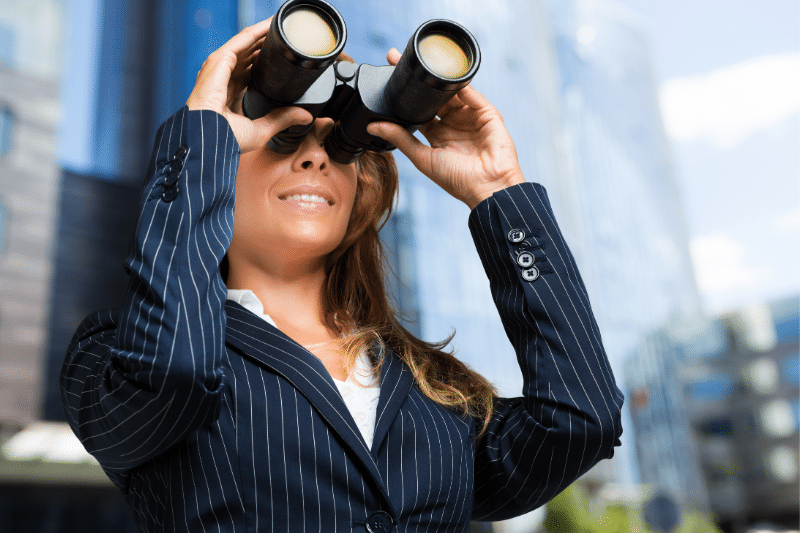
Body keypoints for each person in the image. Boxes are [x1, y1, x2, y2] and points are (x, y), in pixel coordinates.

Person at [60, 15, 624, 533]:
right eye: (282, 136)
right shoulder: (112, 356)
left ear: (362, 189)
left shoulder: (435, 392)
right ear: (218, 164)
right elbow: (172, 374)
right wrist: (202, 135)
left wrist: (498, 192)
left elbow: (580, 419)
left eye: (341, 146)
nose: (316, 158)